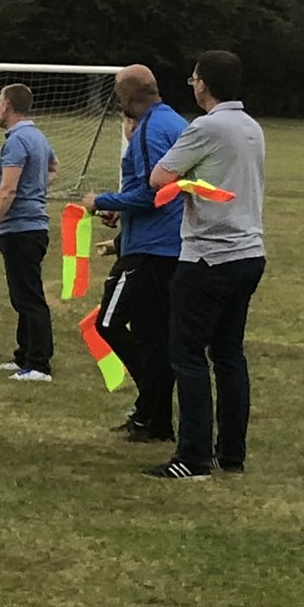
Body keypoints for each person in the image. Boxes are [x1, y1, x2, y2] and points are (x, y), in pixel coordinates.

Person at [145, 50, 267, 480]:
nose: (191, 84)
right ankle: (230, 453)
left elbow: (160, 177)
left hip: (209, 255)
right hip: (248, 254)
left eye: (194, 78)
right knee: (229, 355)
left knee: (188, 354)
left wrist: (183, 183)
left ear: (204, 84)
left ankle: (193, 457)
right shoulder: (251, 126)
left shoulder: (207, 126)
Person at [86, 66, 187, 444]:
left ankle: (151, 401)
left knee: (109, 324)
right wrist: (121, 212)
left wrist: (102, 202)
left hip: (150, 249)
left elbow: (152, 195)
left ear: (127, 97)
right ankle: (153, 419)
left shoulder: (148, 130)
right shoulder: (175, 122)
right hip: (167, 246)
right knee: (151, 336)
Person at [0, 84, 58, 382]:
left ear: (9, 105)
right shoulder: (37, 136)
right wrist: (37, 188)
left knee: (29, 297)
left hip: (23, 228)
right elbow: (54, 167)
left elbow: (8, 188)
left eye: (0, 101)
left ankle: (40, 364)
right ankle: (23, 355)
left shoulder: (17, 141)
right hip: (31, 226)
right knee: (21, 294)